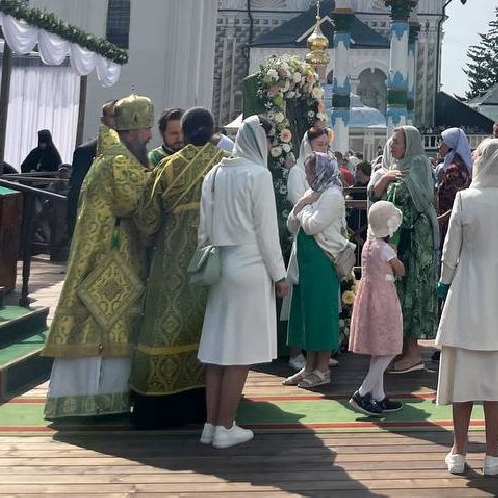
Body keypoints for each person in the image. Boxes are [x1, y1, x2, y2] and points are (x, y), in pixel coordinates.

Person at [43, 94, 153, 420]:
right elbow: (140, 205)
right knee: (105, 326)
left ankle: (96, 399)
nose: (150, 136)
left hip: (105, 254)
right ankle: (98, 399)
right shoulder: (120, 162)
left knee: (102, 326)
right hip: (110, 258)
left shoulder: (110, 155)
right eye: (147, 129)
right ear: (132, 129)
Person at [435, 138, 498, 477]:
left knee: (464, 371)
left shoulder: (465, 200)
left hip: (468, 288)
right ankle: (493, 453)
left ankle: (458, 451)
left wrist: (445, 280)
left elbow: (451, 250)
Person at [197, 116, 290, 449]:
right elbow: (267, 233)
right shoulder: (258, 175)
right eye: (267, 138)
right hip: (249, 265)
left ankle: (211, 425)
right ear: (258, 140)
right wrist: (279, 274)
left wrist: (206, 259)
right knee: (238, 352)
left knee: (218, 348)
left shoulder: (215, 173)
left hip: (220, 263)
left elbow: (203, 227)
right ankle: (226, 425)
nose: (269, 145)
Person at [130, 107, 225, 428]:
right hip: (215, 262)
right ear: (212, 132)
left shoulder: (167, 168)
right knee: (208, 329)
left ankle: (157, 406)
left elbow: (146, 220)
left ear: (183, 133)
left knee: (163, 325)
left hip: (171, 262)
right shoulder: (225, 167)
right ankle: (209, 404)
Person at [369, 125, 439, 373]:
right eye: (391, 141)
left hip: (414, 241)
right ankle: (400, 349)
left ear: (409, 143)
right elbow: (375, 198)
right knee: (398, 293)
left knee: (412, 293)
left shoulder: (418, 163)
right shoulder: (392, 168)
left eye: (397, 141)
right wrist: (386, 178)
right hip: (397, 239)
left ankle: (413, 352)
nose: (392, 145)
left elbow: (418, 200)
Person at [283, 151, 349, 389]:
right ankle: (308, 367)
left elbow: (312, 226)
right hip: (305, 262)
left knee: (321, 313)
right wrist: (303, 204)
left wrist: (303, 207)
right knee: (306, 314)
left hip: (322, 260)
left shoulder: (332, 194)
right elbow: (291, 223)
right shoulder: (313, 192)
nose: (308, 176)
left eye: (311, 171)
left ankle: (322, 369)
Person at [348, 200, 406, 415]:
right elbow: (400, 270)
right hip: (383, 299)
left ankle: (378, 395)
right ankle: (362, 392)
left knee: (379, 348)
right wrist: (397, 257)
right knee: (390, 347)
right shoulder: (385, 249)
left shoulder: (368, 245)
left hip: (369, 297)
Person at [66, 101, 114, 232]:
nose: (117, 122)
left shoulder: (132, 153)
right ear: (103, 121)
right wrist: (73, 230)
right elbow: (76, 192)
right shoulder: (86, 152)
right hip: (90, 227)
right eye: (113, 116)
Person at [436, 127, 473, 247]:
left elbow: (453, 199)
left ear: (450, 144)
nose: (439, 145)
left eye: (442, 141)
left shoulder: (454, 169)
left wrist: (442, 218)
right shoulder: (458, 164)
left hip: (450, 222)